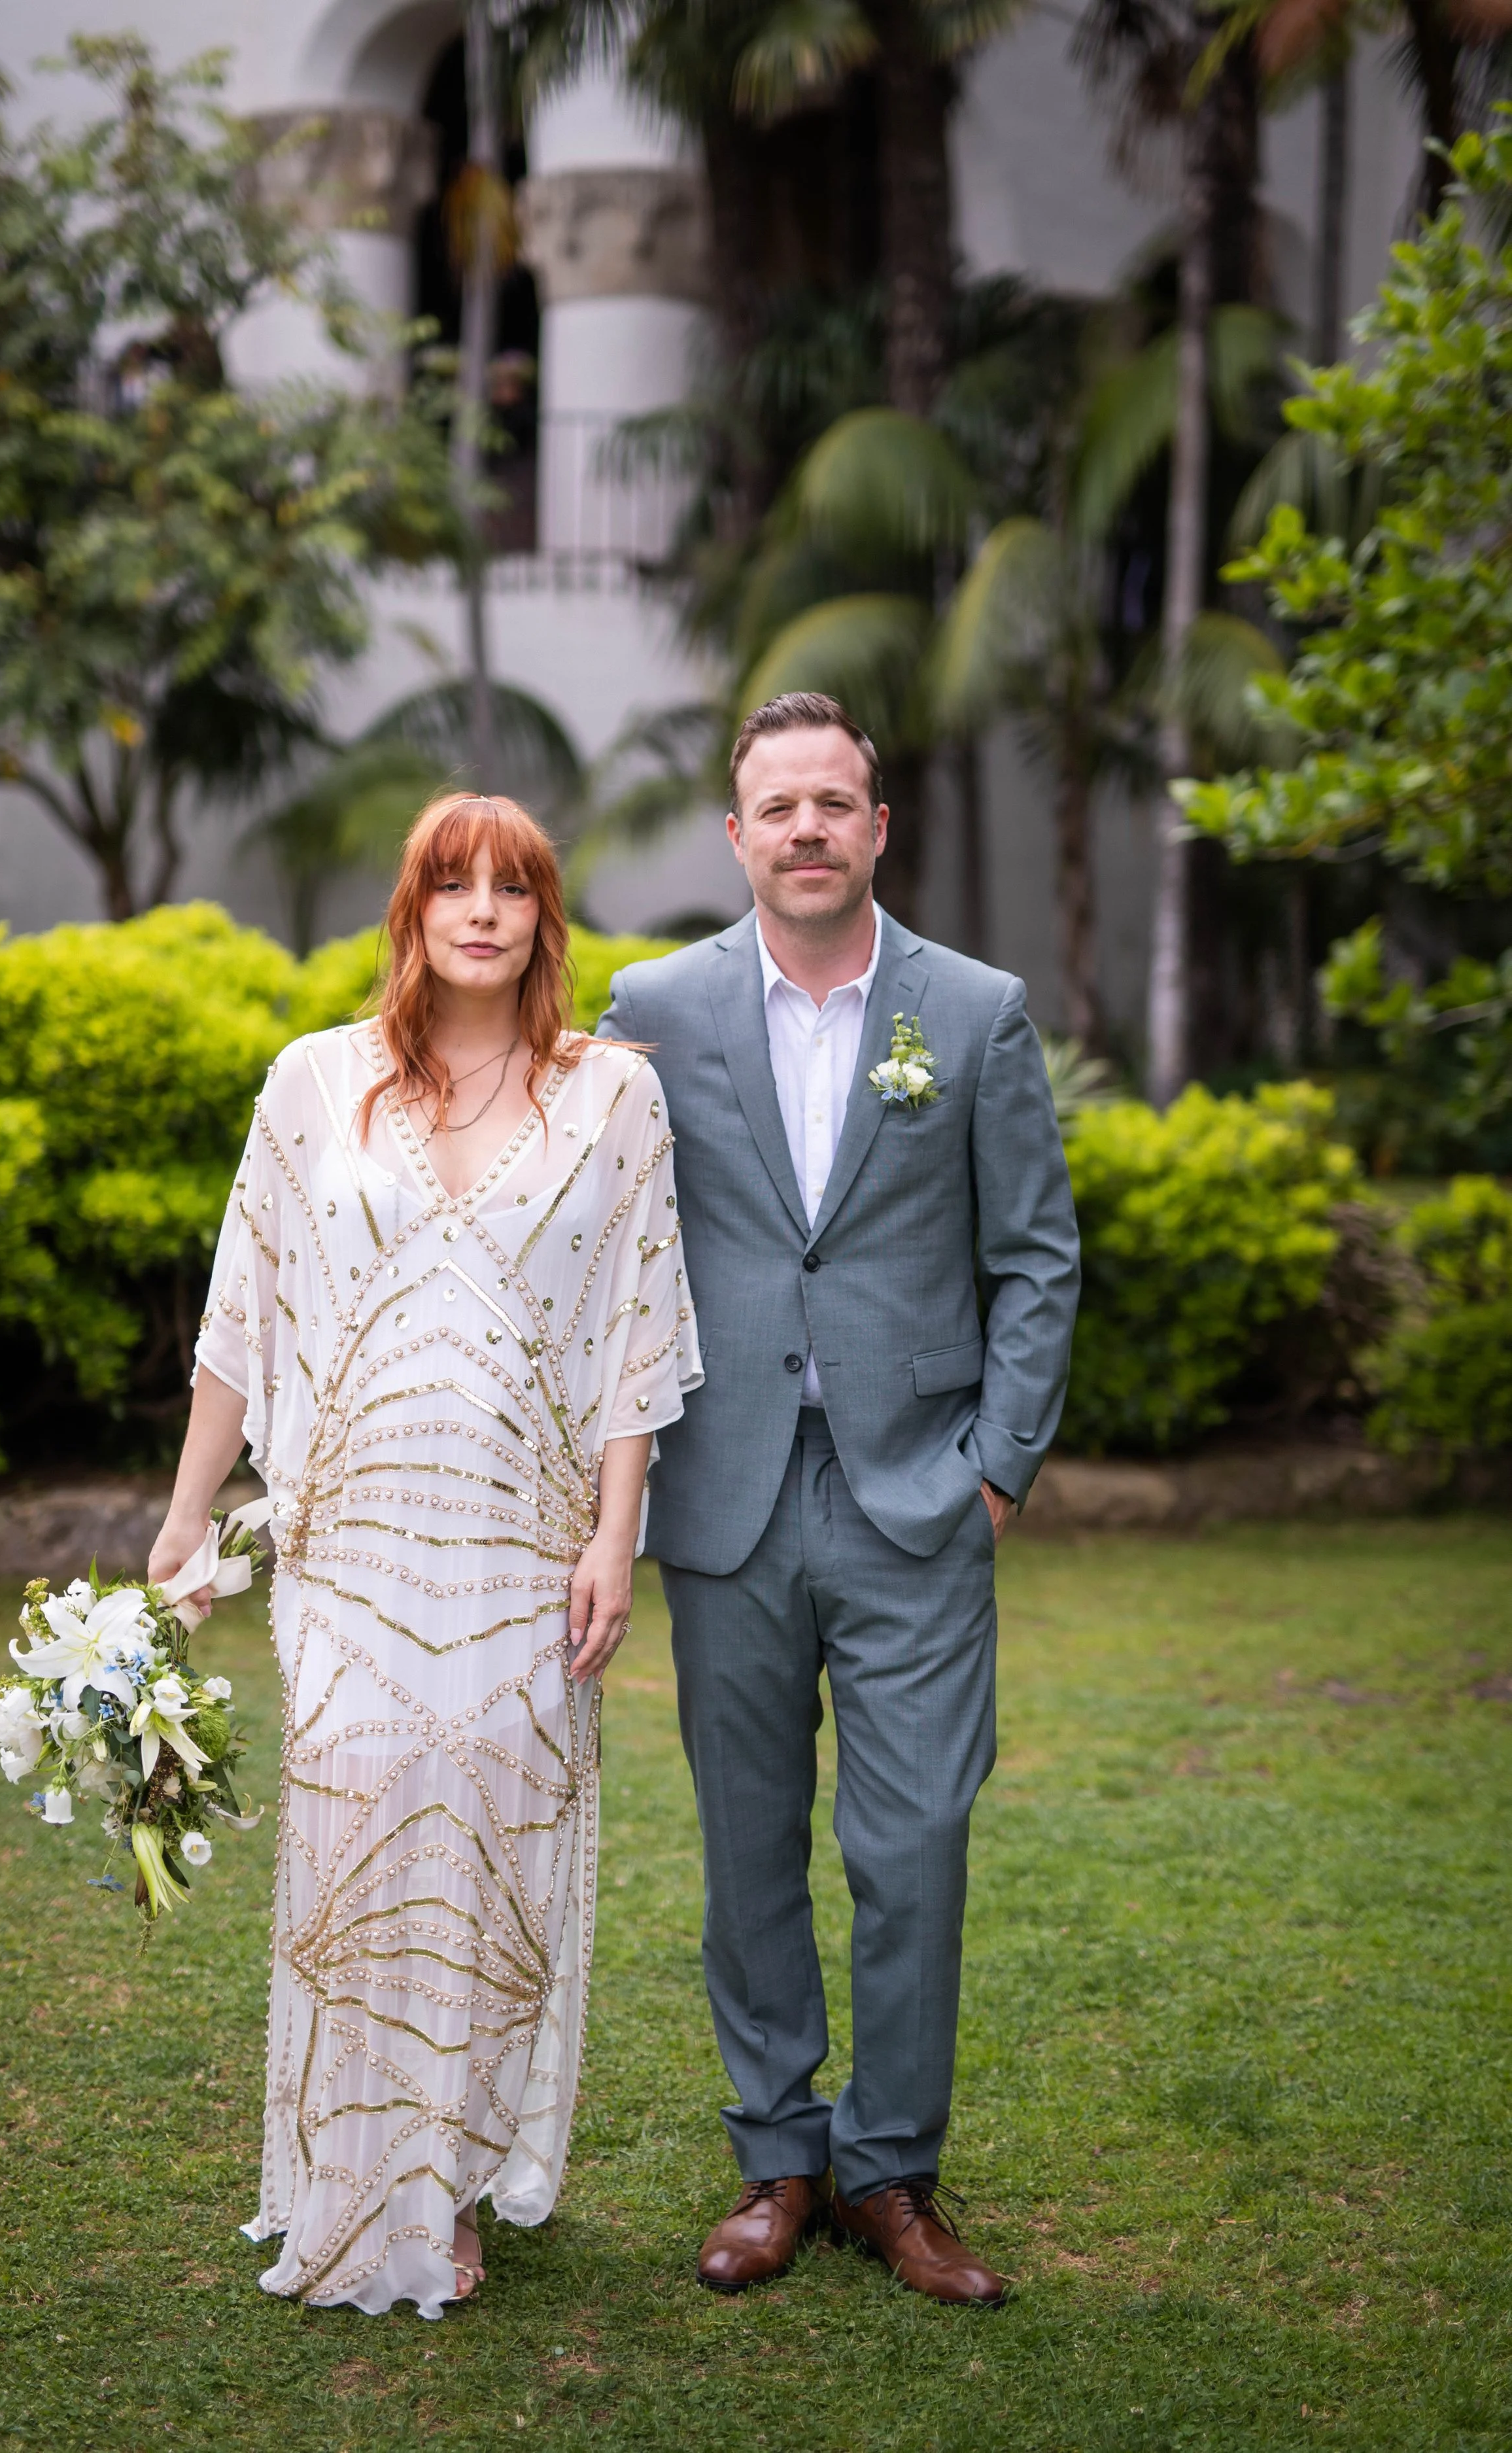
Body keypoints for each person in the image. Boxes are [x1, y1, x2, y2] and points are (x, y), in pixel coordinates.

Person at [148, 792, 700, 2318]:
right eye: (448, 884)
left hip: (525, 1545)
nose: (478, 911)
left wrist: (612, 1538)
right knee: (359, 1830)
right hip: (351, 1543)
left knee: (490, 1846)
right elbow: (240, 1322)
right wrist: (190, 1515)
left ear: (540, 919)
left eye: (508, 889)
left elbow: (636, 1341)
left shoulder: (611, 1100)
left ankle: (447, 2180)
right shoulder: (313, 1084)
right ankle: (350, 2178)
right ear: (410, 909)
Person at [599, 693, 1079, 2306]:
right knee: (747, 1849)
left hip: (912, 1496)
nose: (806, 828)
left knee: (915, 1843)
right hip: (721, 1490)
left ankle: (893, 2173)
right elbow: (594, 1240)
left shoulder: (975, 1009)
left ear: (879, 828)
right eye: (776, 807)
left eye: (834, 803)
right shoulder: (649, 1006)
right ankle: (776, 2160)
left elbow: (1034, 1257)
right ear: (734, 837)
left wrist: (996, 1465)